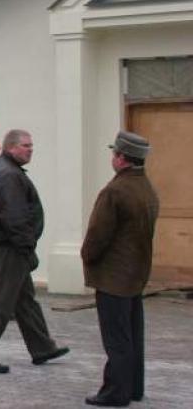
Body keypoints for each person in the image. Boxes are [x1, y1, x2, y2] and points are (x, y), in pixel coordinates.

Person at [0, 129, 70, 373]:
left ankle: (42, 347)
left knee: (25, 301)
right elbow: (13, 217)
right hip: (10, 249)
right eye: (25, 145)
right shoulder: (7, 175)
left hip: (11, 247)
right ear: (11, 147)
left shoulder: (7, 170)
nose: (30, 149)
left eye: (31, 145)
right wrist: (26, 246)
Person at [82, 131, 159, 407]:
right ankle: (134, 386)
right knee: (133, 335)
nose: (112, 158)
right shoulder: (146, 187)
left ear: (122, 158)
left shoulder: (115, 191)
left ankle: (115, 392)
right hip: (136, 273)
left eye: (115, 153)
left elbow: (97, 235)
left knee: (116, 339)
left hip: (114, 276)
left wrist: (87, 257)